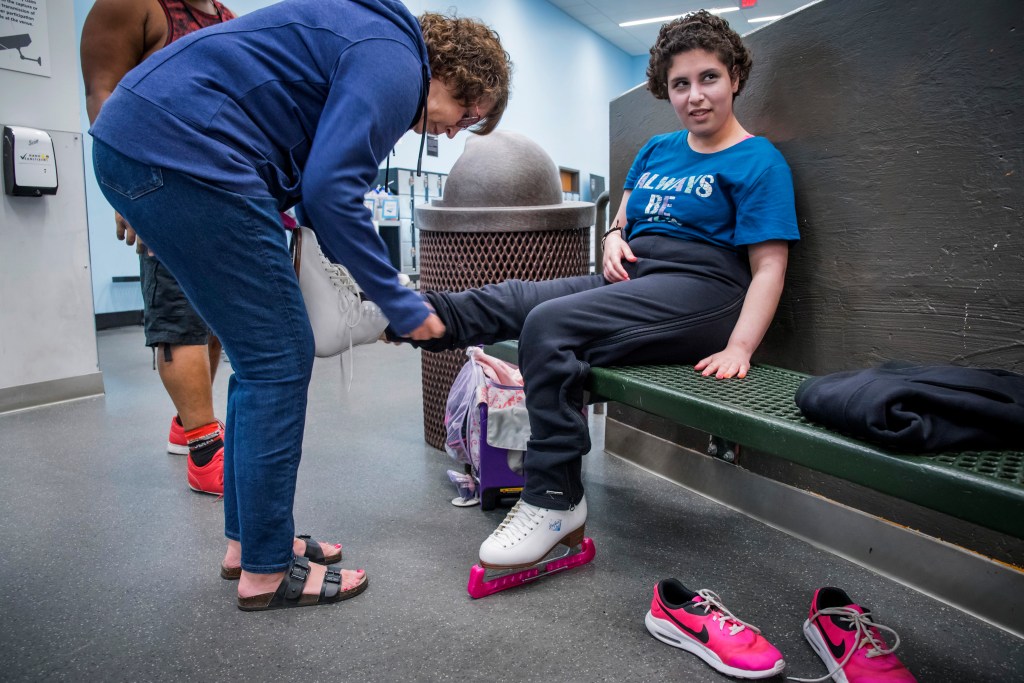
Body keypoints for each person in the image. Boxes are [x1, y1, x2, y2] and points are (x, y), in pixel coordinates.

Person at [90, 0, 511, 610]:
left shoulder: (369, 39)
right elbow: (330, 189)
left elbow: (317, 187)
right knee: (280, 359)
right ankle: (267, 570)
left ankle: (250, 543)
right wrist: (400, 301)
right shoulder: (397, 63)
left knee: (255, 358)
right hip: (186, 149)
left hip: (146, 141)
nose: (450, 133)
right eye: (463, 116)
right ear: (454, 73)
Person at [400, 10, 799, 581]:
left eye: (708, 78)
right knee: (518, 298)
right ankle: (404, 315)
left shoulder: (758, 162)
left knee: (549, 326)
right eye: (681, 84)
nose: (695, 96)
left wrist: (740, 346)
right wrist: (613, 235)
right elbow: (627, 212)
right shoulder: (658, 150)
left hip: (705, 292)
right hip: (638, 276)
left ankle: (554, 499)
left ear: (735, 75)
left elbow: (768, 267)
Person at [81, 0, 233, 495]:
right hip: (159, 187)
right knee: (178, 318)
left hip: (217, 191)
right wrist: (126, 190)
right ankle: (205, 453)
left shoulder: (226, 19)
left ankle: (189, 423)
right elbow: (104, 98)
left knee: (211, 319)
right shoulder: (134, 6)